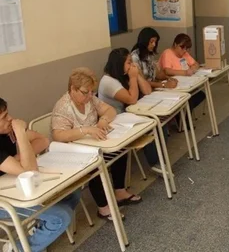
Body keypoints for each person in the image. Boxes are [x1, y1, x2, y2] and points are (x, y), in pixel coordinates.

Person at [51, 67, 142, 220]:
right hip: (73, 151)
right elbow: (58, 135)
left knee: (120, 150)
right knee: (95, 166)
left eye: (91, 92)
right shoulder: (63, 106)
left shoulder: (89, 99)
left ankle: (119, 191)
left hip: (92, 144)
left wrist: (103, 119)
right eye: (85, 92)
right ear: (73, 89)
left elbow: (110, 110)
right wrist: (86, 130)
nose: (89, 96)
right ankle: (103, 208)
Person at [0, 97, 80, 252]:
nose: (10, 119)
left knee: (73, 192)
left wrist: (17, 160)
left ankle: (41, 228)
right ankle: (16, 249)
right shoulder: (13, 130)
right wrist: (21, 134)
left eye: (8, 114)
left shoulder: (5, 131)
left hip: (14, 187)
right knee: (61, 217)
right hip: (4, 202)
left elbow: (42, 141)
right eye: (4, 117)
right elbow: (30, 173)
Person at [98, 48, 164, 167]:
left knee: (157, 123)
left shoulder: (122, 75)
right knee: (150, 127)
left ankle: (159, 159)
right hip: (114, 121)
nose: (132, 65)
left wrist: (137, 74)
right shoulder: (108, 81)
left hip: (126, 116)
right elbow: (132, 99)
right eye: (129, 62)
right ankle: (156, 163)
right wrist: (133, 77)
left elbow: (147, 91)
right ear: (119, 64)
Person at [158, 34, 206, 110]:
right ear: (175, 44)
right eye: (182, 47)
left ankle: (184, 115)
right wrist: (185, 73)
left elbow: (195, 64)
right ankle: (183, 118)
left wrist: (193, 68)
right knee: (190, 100)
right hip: (172, 84)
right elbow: (167, 71)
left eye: (186, 48)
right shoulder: (167, 53)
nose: (184, 50)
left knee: (201, 95)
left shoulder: (185, 54)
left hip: (185, 82)